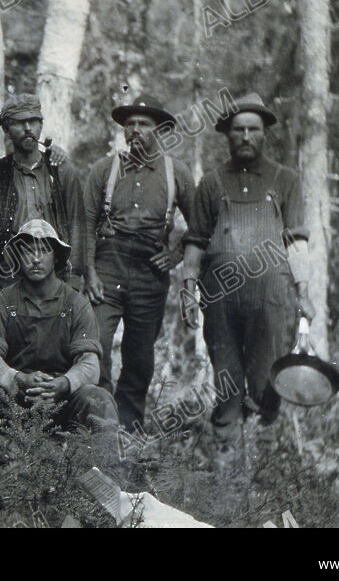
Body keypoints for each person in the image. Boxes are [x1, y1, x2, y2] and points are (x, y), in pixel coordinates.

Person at [179, 92, 314, 458]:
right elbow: (196, 238)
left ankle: (260, 456)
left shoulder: (285, 180)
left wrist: (304, 292)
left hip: (272, 301)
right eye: (238, 130)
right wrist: (188, 285)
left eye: (253, 129)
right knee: (226, 377)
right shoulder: (211, 183)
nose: (246, 137)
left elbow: (297, 241)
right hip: (220, 300)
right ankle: (227, 474)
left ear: (265, 132)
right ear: (227, 134)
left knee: (266, 378)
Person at [83, 95, 196, 431]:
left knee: (140, 355)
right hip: (107, 265)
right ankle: (99, 424)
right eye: (129, 124)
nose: (134, 131)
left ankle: (129, 427)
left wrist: (177, 254)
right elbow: (86, 221)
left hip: (150, 272)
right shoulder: (105, 169)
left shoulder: (177, 173)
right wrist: (88, 270)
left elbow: (202, 225)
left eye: (143, 124)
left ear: (159, 130)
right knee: (95, 344)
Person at [0, 219, 119, 458]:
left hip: (61, 404)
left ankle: (110, 480)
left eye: (44, 250)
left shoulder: (77, 304)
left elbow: (90, 364)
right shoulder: (2, 301)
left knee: (98, 398)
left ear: (57, 257)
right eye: (28, 250)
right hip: (14, 401)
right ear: (17, 257)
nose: (35, 258)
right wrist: (18, 379)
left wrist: (62, 384)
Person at [0, 94, 85, 306]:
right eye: (18, 123)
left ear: (41, 124)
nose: (27, 128)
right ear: (5, 129)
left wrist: (74, 281)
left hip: (55, 276)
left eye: (33, 121)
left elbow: (77, 227)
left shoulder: (62, 171)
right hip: (7, 276)